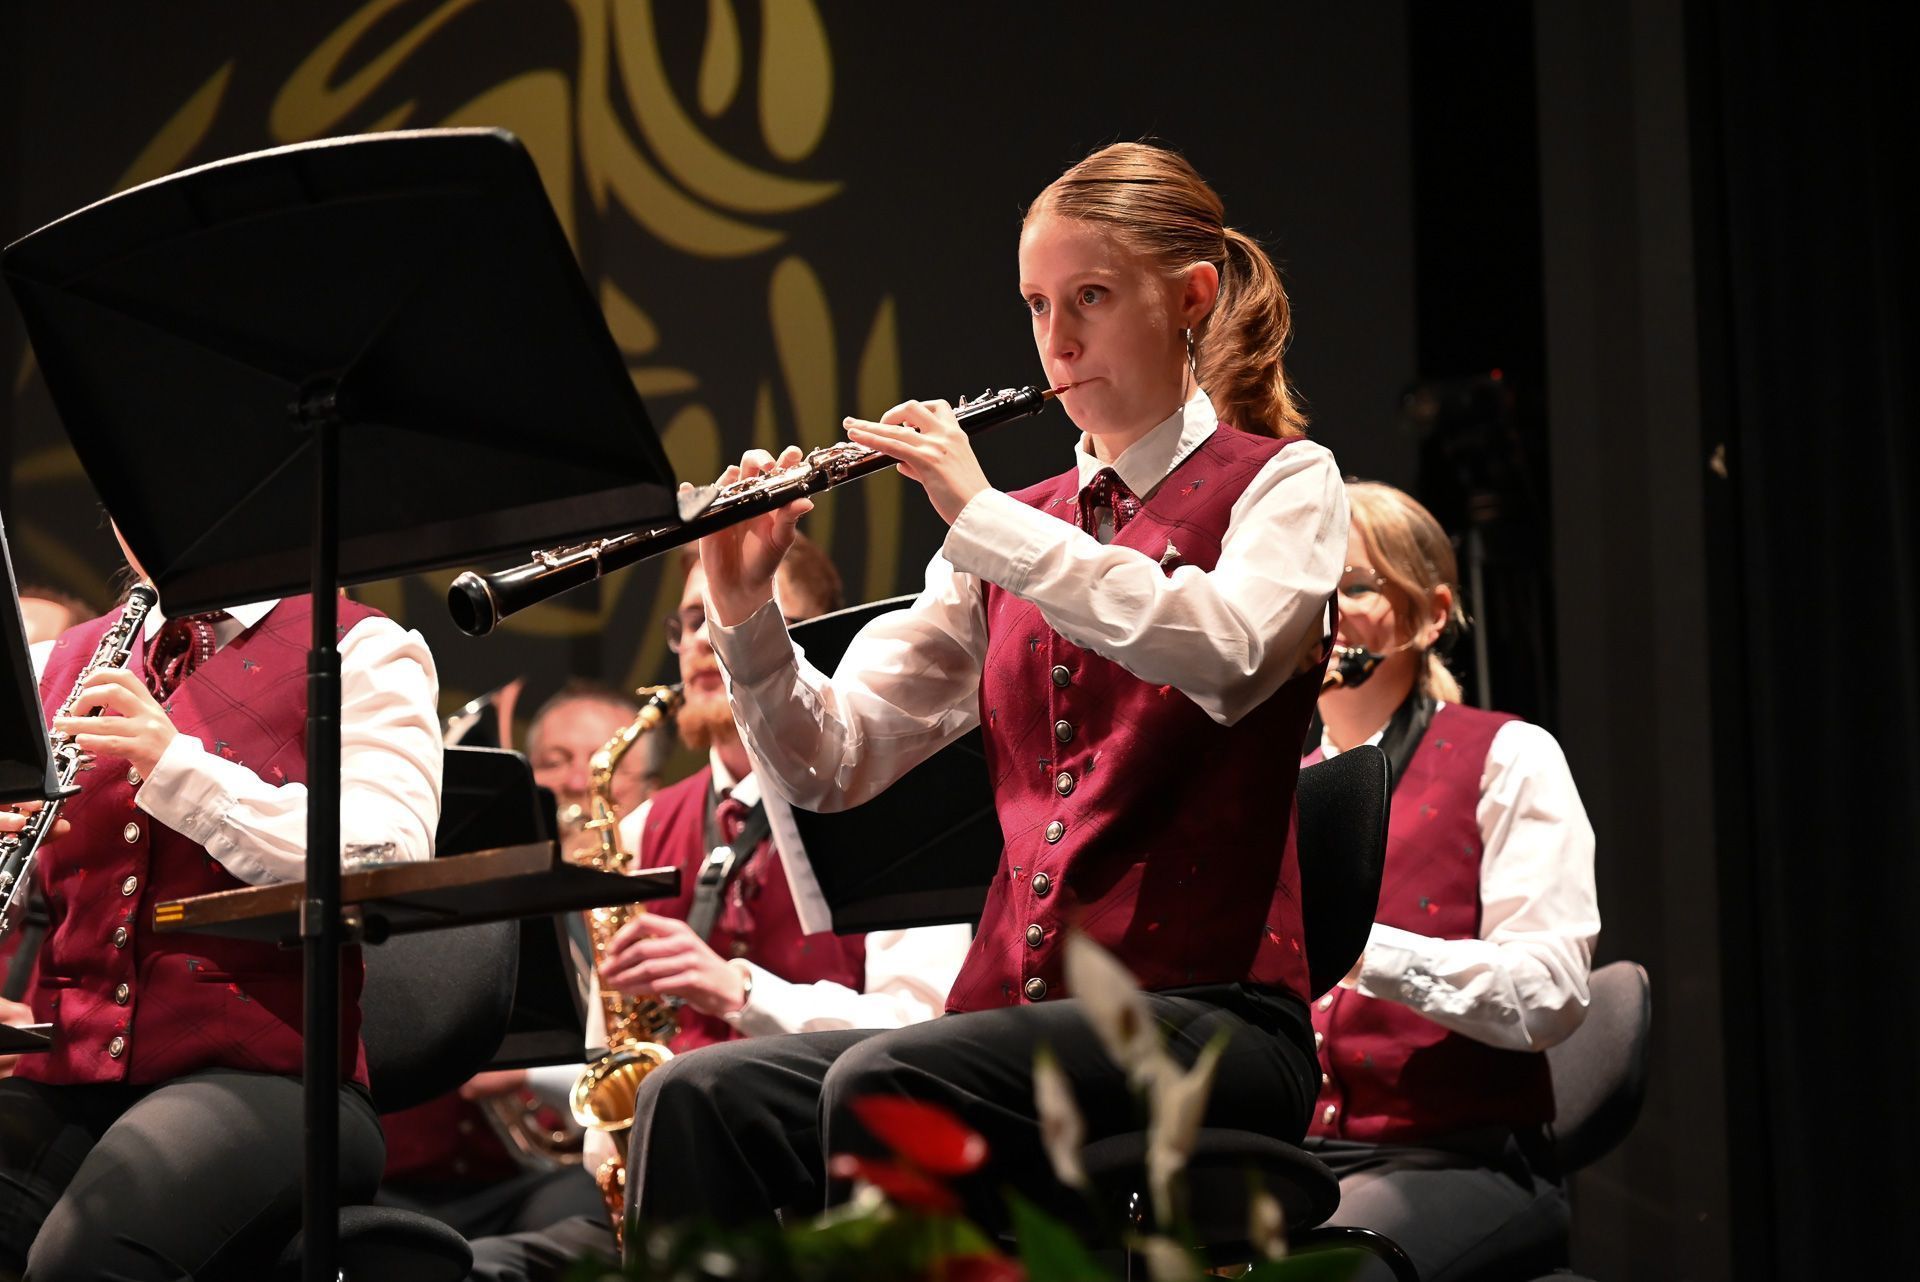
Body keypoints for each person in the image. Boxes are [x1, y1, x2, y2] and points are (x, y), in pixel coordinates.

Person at [613, 140, 1348, 1237]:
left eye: (1092, 297)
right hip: (1007, 1022)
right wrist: (743, 608)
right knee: (699, 1095)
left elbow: (1230, 651)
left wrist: (986, 516)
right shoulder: (1003, 537)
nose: (1058, 341)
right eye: (1039, 304)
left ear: (1190, 298)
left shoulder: (1285, 482)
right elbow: (834, 761)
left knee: (893, 1083)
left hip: (1212, 1015)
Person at [465, 534, 973, 1281]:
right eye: (688, 623)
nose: (705, 642)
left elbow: (921, 1030)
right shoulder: (639, 826)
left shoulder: (890, 802)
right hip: (674, 1202)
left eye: (740, 612)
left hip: (833, 1188)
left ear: (809, 644)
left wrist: (742, 992)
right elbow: (613, 1050)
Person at [0, 533, 442, 1282]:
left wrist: (177, 767)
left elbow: (388, 858)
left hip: (278, 1081)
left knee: (87, 1260)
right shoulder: (55, 665)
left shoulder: (364, 649)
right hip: (65, 1072)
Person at [1303, 481, 1599, 1281]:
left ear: (1432, 615)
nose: (1324, 610)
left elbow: (1550, 989)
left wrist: (1358, 949)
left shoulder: (1510, 757)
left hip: (1454, 1160)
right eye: (1307, 583)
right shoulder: (1271, 780)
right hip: (1285, 1167)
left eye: (1355, 586)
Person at [375, 683, 649, 1242]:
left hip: (549, 1180)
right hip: (403, 1174)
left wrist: (525, 1072)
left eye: (601, 763)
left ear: (650, 790)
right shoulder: (467, 893)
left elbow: (647, 1065)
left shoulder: (656, 905)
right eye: (555, 761)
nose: (576, 781)